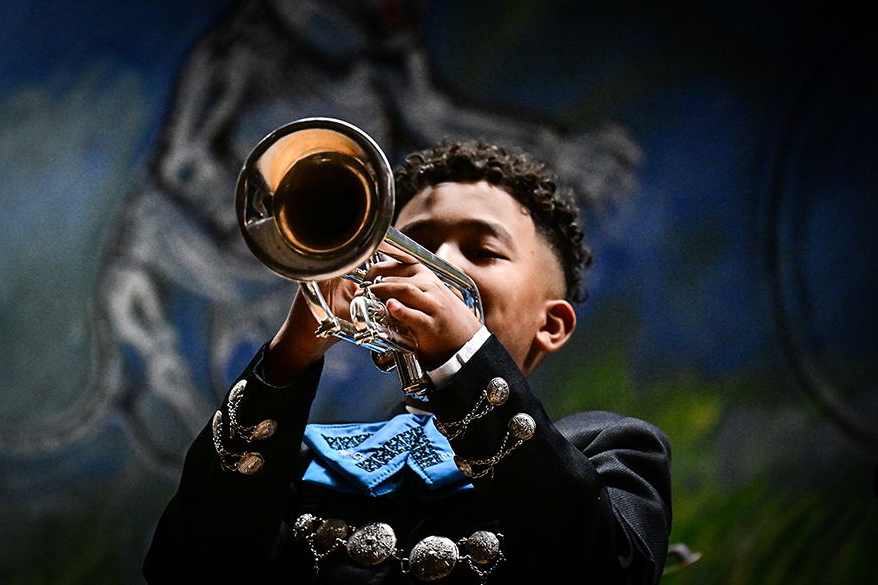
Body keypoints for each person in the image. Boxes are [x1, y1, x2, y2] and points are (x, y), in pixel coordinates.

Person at [143, 140, 672, 584]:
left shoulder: (614, 448)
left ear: (550, 324)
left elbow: (610, 571)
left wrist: (464, 357)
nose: (435, 263)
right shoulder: (301, 453)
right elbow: (186, 568)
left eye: (483, 251)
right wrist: (290, 354)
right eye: (414, 242)